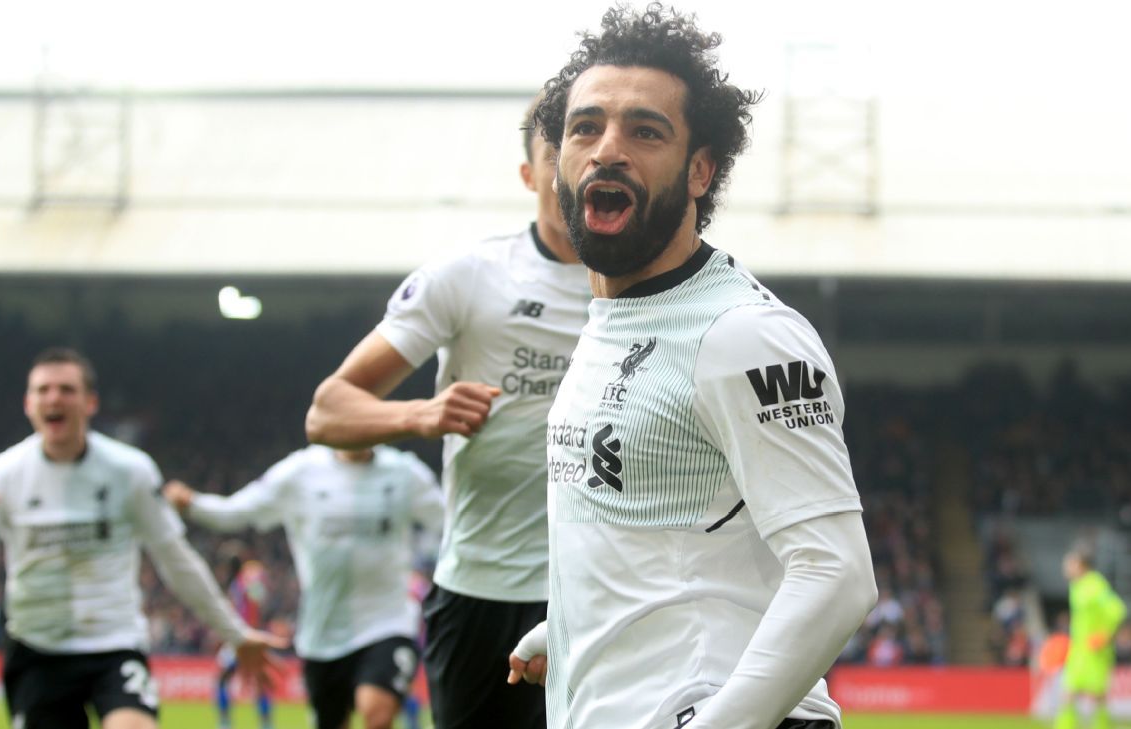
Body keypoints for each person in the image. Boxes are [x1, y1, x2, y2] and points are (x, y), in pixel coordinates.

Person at [506, 5, 877, 728]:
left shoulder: (744, 334)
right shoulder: (612, 316)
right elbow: (668, 532)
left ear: (700, 169)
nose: (608, 149)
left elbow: (836, 574)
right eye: (585, 127)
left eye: (645, 131)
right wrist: (573, 627)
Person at [305, 99, 590, 728]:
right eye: (557, 154)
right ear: (529, 175)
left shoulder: (647, 288)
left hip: (602, 590)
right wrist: (421, 414)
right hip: (480, 591)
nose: (576, 166)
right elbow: (327, 412)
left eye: (589, 149)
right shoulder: (470, 275)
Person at [0, 347, 283, 729]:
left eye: (67, 389)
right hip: (38, 651)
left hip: (114, 645)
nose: (54, 398)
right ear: (28, 403)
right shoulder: (2, 475)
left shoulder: (129, 471)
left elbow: (177, 560)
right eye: (43, 390)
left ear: (90, 402)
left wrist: (234, 634)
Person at [163, 444, 444, 729]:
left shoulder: (404, 471)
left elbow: (450, 520)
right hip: (322, 634)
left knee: (377, 712)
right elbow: (236, 511)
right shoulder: (300, 471)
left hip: (388, 621)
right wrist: (192, 504)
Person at [1055, 545, 1126, 729]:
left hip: (1095, 650)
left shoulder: (1095, 585)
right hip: (1079, 649)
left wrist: (1104, 635)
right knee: (1069, 691)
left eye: (1070, 564)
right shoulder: (1076, 586)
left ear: (1081, 565)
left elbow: (1117, 609)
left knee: (1095, 695)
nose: (1066, 568)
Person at [212, 554, 272, 729]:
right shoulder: (244, 583)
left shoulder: (240, 584)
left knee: (223, 679)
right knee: (258, 680)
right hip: (247, 635)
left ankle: (225, 721)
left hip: (242, 637)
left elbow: (251, 607)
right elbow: (257, 603)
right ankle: (266, 722)